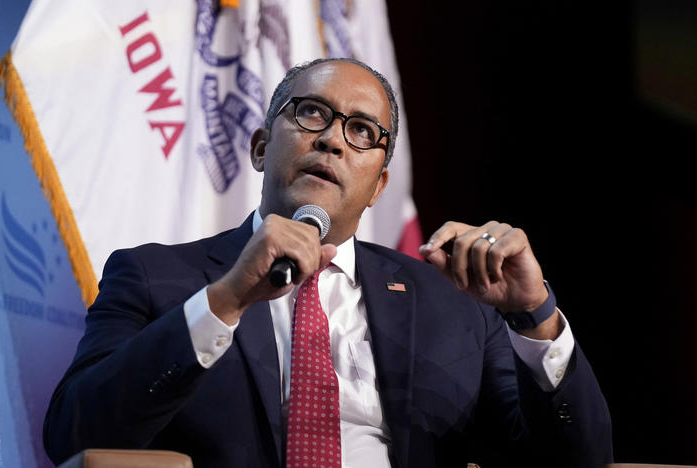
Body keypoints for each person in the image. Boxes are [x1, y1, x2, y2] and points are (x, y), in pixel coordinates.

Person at [44, 58, 612, 468]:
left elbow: (578, 460)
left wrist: (535, 318)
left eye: (363, 131)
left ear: (379, 186)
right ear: (263, 147)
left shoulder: (455, 305)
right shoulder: (155, 277)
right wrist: (225, 301)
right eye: (312, 113)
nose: (334, 141)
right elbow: (74, 434)